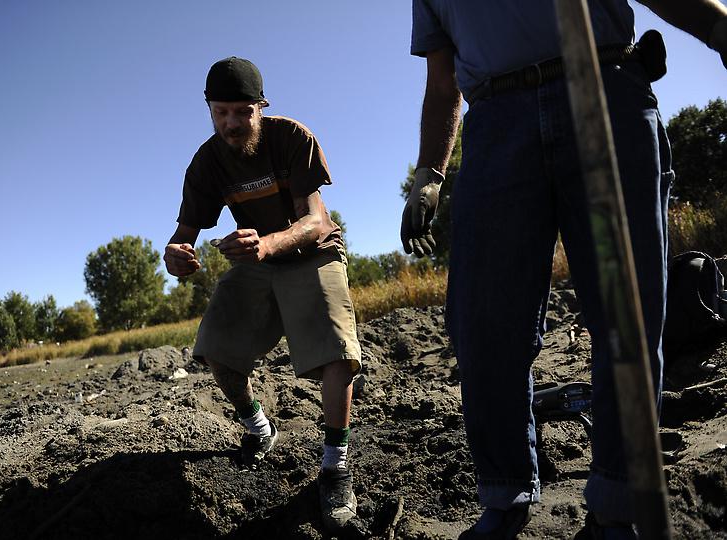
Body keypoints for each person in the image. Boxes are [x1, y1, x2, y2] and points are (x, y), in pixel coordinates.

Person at [403, 1, 727, 538]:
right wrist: (429, 172)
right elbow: (442, 82)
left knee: (625, 309)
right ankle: (504, 491)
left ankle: (617, 500)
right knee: (486, 323)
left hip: (604, 96)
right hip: (497, 124)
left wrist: (717, 25)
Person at [164, 56, 361, 532]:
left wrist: (267, 242)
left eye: (241, 112)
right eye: (220, 112)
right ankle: (258, 428)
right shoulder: (207, 162)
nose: (231, 123)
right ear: (210, 110)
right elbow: (183, 233)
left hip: (312, 253)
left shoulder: (291, 137)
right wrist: (176, 254)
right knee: (217, 349)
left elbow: (315, 221)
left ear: (260, 106)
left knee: (337, 354)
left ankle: (335, 468)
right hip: (257, 264)